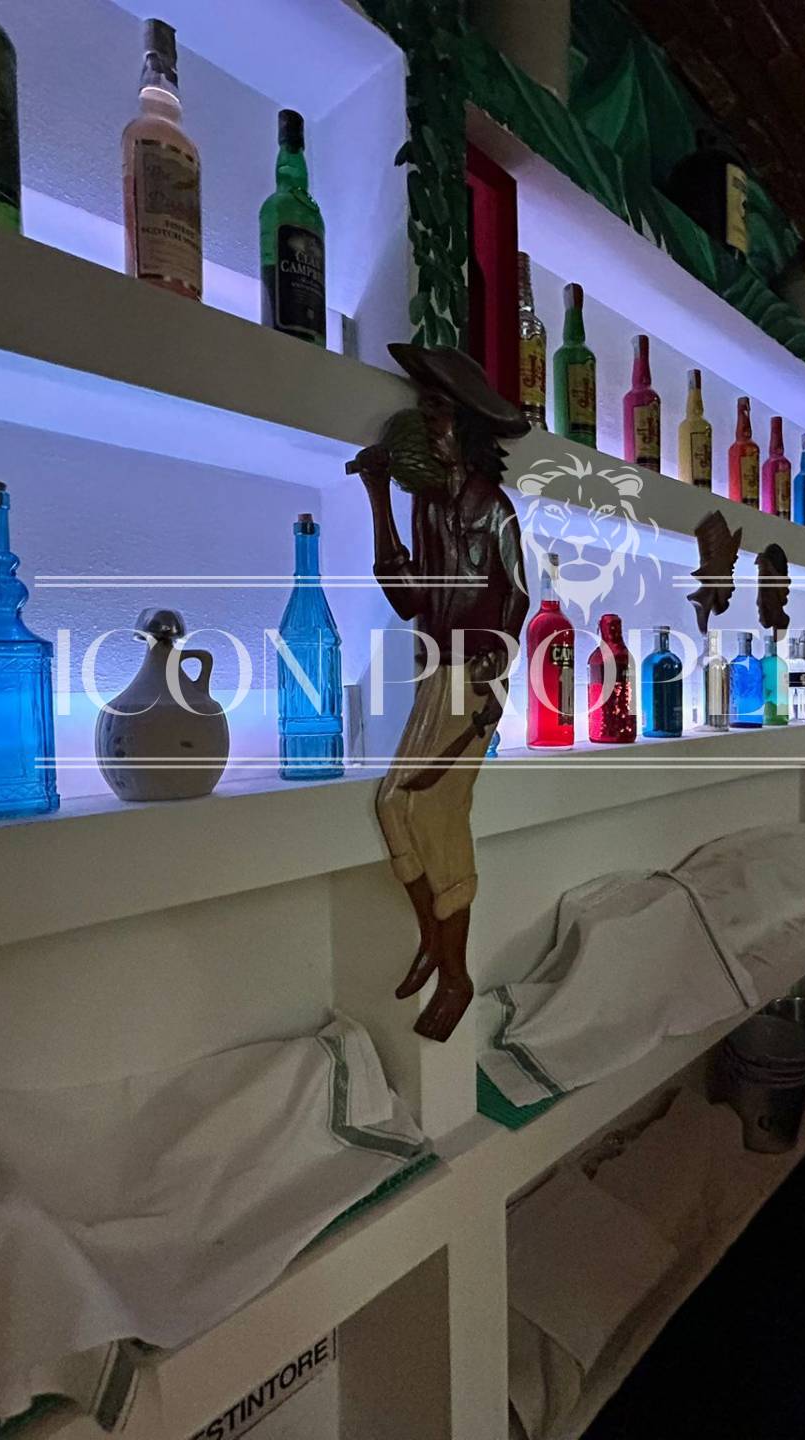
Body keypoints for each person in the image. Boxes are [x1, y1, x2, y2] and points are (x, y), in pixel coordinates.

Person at [350, 344, 531, 1041]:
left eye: (438, 413)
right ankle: (434, 936)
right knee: (393, 805)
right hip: (437, 674)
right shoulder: (427, 508)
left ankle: (456, 972)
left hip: (474, 681)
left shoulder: (497, 511)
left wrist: (494, 673)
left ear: (468, 429)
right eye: (425, 410)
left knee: (437, 814)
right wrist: (377, 498)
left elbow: (517, 598)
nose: (427, 425)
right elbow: (408, 599)